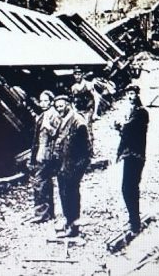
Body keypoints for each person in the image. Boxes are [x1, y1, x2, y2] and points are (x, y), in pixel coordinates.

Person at [53, 95, 92, 238]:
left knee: (71, 194)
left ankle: (74, 228)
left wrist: (78, 168)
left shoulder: (77, 121)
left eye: (61, 106)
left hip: (73, 165)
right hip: (63, 164)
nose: (59, 109)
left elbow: (87, 149)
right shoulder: (63, 120)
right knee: (64, 193)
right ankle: (68, 221)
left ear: (68, 105)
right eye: (57, 107)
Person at [114, 84, 149, 235]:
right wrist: (120, 129)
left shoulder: (141, 112)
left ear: (137, 95)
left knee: (129, 188)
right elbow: (126, 132)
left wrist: (120, 127)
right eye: (128, 94)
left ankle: (135, 224)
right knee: (129, 188)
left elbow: (129, 129)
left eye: (132, 94)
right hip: (130, 155)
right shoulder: (132, 111)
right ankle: (134, 219)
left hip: (136, 155)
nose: (130, 97)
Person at [29, 90, 61, 223]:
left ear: (51, 101)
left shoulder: (53, 115)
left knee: (40, 182)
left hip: (47, 153)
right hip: (41, 152)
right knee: (44, 182)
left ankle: (42, 214)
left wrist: (49, 128)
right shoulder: (43, 115)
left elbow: (58, 134)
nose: (43, 103)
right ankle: (47, 213)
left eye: (46, 101)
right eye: (41, 101)